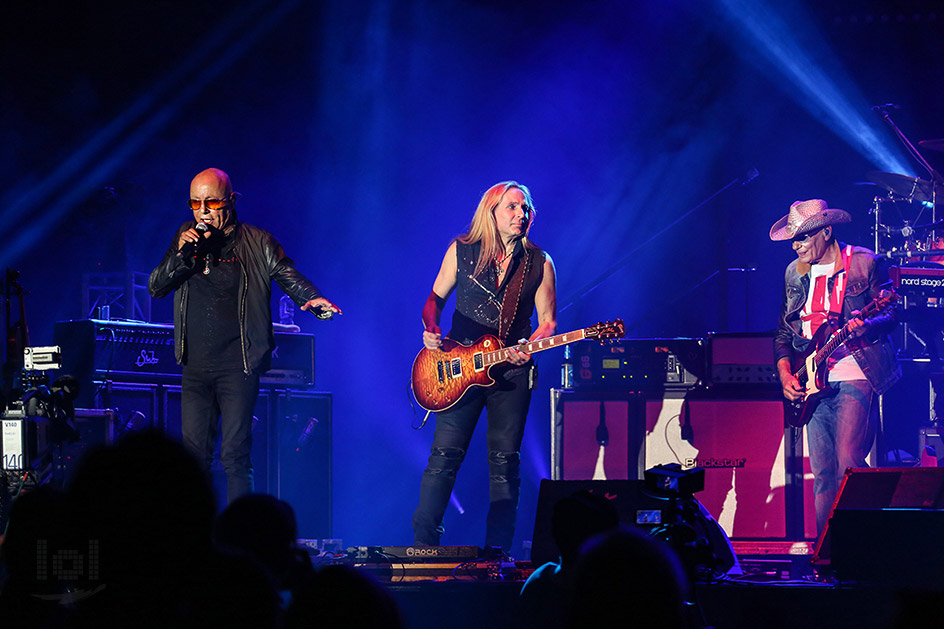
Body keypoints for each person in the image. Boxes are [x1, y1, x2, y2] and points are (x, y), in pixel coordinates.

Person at [149, 168, 341, 504]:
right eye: (195, 203)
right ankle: (197, 534)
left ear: (231, 200)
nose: (203, 211)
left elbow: (286, 273)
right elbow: (157, 287)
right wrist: (182, 255)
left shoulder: (258, 241)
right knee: (194, 458)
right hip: (195, 364)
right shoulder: (186, 237)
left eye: (211, 202)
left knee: (235, 455)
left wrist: (310, 298)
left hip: (238, 364)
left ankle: (241, 536)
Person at [412, 181, 557, 552]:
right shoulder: (462, 250)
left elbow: (548, 322)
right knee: (444, 457)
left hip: (511, 372)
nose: (520, 215)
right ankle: (424, 546)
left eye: (525, 209)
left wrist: (530, 346)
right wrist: (431, 328)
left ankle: (497, 553)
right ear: (491, 212)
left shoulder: (539, 263)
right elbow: (434, 297)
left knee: (505, 462)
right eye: (511, 208)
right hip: (458, 367)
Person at [771, 199, 900, 535]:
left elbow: (890, 312)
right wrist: (785, 372)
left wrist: (865, 325)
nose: (796, 245)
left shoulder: (864, 262)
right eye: (794, 239)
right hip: (814, 382)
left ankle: (862, 550)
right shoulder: (793, 273)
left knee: (848, 462)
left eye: (803, 237)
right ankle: (827, 555)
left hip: (858, 371)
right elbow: (785, 331)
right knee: (824, 474)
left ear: (827, 231)